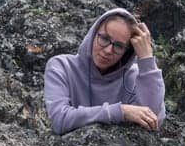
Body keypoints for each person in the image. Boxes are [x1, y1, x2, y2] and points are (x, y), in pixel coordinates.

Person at [43, 7, 166, 135]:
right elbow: (59, 120)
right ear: (93, 34)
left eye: (119, 46)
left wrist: (146, 59)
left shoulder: (134, 77)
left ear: (126, 52)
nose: (108, 50)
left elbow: (152, 119)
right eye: (104, 38)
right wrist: (121, 111)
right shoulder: (62, 66)